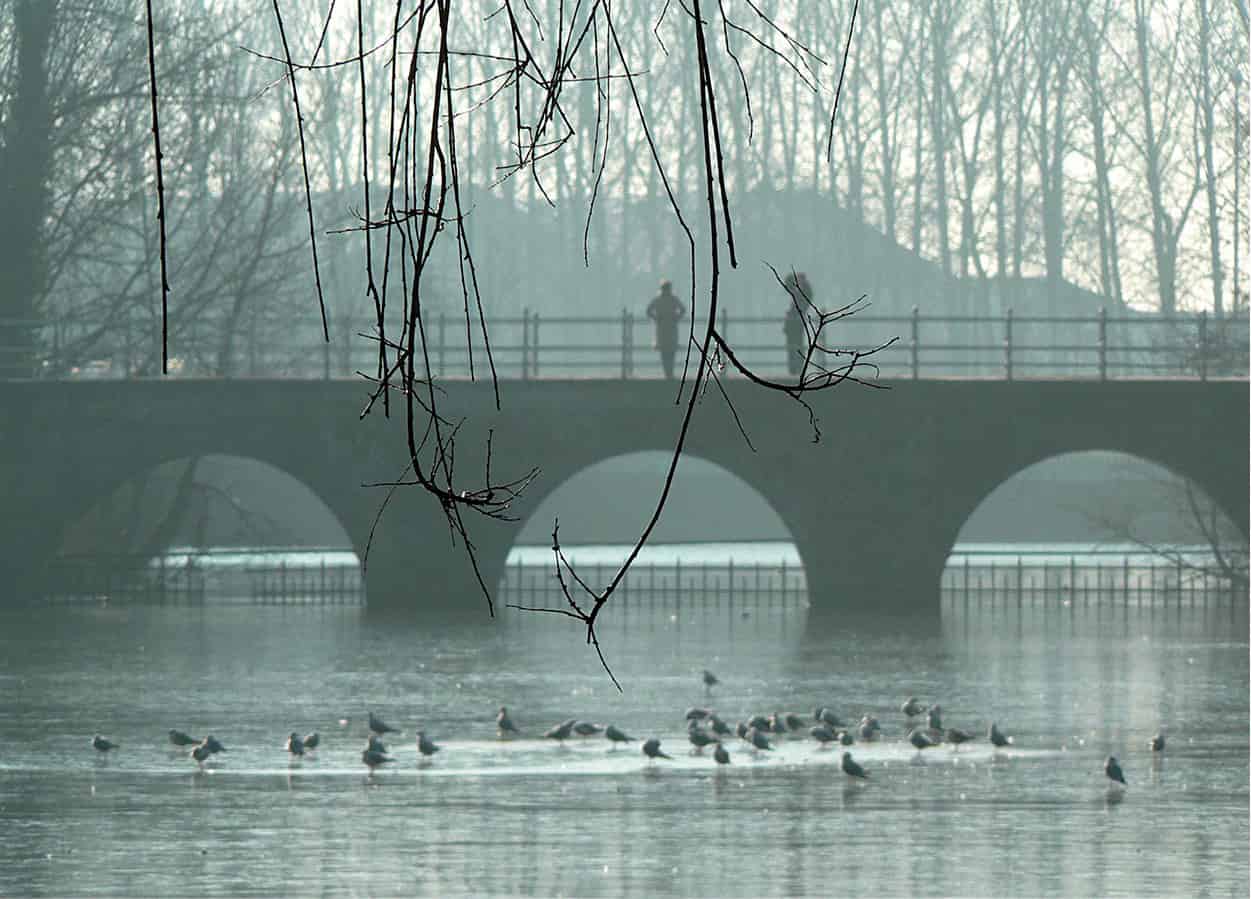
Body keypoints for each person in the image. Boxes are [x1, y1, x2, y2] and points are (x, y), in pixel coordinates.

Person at [646, 280, 685, 379]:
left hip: (663, 328)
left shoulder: (659, 299)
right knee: (669, 352)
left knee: (666, 352)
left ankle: (668, 373)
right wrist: (676, 318)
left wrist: (656, 318)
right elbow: (683, 309)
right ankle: (669, 373)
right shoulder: (672, 299)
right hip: (670, 328)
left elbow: (648, 310)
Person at [782, 272, 813, 376]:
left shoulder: (802, 293)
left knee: (796, 346)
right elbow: (788, 284)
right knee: (794, 346)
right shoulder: (800, 293)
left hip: (795, 323)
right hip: (794, 323)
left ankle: (796, 369)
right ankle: (795, 369)